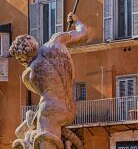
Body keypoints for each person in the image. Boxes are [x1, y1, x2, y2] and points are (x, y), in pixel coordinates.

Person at [9, 12, 88, 149]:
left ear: (21, 59)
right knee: (22, 131)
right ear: (33, 41)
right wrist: (76, 20)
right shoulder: (57, 40)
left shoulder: (28, 74)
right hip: (70, 107)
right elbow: (83, 33)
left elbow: (37, 89)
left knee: (34, 139)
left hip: (50, 112)